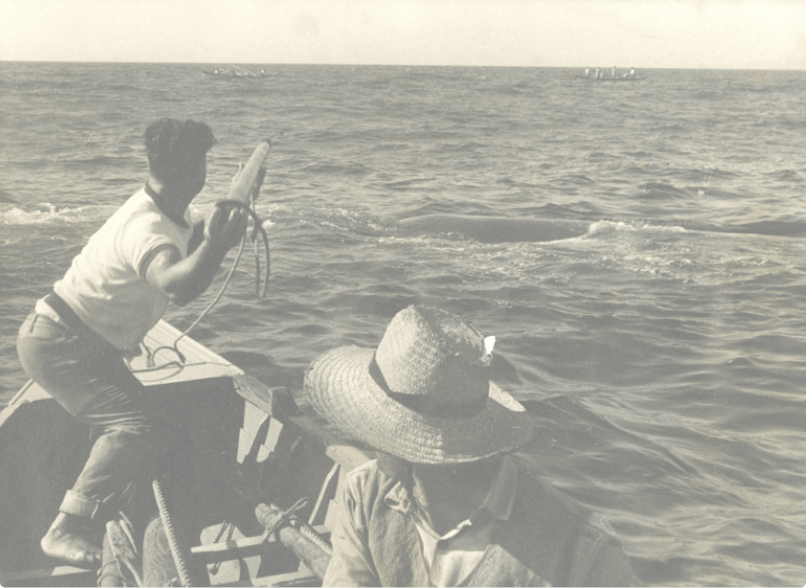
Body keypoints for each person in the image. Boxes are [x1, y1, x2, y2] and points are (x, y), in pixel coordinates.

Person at [16, 118, 262, 568]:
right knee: (136, 427)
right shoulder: (144, 227)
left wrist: (222, 215)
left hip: (84, 342)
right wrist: (218, 247)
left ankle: (124, 510)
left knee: (160, 430)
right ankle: (65, 527)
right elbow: (175, 285)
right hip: (58, 344)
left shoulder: (167, 207)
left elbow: (187, 238)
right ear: (194, 171)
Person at [304, 305, 644, 588]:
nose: (364, 434)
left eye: (374, 417)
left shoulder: (581, 553)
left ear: (403, 445)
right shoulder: (364, 496)